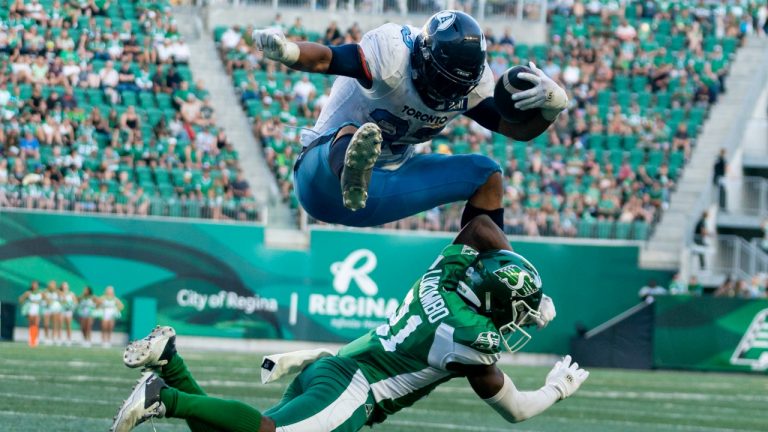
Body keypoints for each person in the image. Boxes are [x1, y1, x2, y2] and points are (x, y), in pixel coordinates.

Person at [111, 215, 588, 432]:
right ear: (493, 300)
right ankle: (164, 397)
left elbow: (481, 228)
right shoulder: (471, 344)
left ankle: (169, 366)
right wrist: (558, 389)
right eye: (519, 310)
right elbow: (517, 411)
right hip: (355, 393)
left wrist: (516, 273)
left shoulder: (443, 275)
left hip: (328, 369)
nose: (520, 320)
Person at [253, 11, 568, 230]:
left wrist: (552, 108)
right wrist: (289, 51)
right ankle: (350, 174)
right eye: (444, 82)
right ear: (422, 58)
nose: (449, 94)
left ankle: (493, 274)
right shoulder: (392, 54)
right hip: (322, 183)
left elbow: (517, 130)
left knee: (487, 176)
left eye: (458, 88)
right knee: (352, 133)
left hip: (389, 184)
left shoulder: (467, 84)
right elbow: (327, 58)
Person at [18, 280, 43, 347]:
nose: (34, 286)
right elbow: (20, 299)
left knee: (36, 324)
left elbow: (45, 300)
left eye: (36, 284)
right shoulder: (28, 292)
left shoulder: (41, 292)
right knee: (31, 324)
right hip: (31, 309)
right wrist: (25, 301)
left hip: (38, 309)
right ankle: (31, 339)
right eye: (33, 284)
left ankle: (36, 339)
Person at [42, 279, 62, 345]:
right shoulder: (45, 291)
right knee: (46, 324)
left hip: (55, 310)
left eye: (53, 284)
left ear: (55, 285)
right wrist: (49, 301)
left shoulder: (58, 292)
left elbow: (62, 300)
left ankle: (53, 337)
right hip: (47, 309)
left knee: (54, 324)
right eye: (50, 284)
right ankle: (46, 337)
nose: (52, 285)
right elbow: (45, 299)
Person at [59, 281, 78, 346]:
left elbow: (75, 302)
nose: (65, 286)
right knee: (60, 325)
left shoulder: (71, 294)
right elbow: (58, 302)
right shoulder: (60, 293)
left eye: (66, 285)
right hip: (61, 311)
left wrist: (71, 307)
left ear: (68, 286)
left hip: (69, 311)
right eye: (63, 285)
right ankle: (59, 339)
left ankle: (69, 339)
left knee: (68, 325)